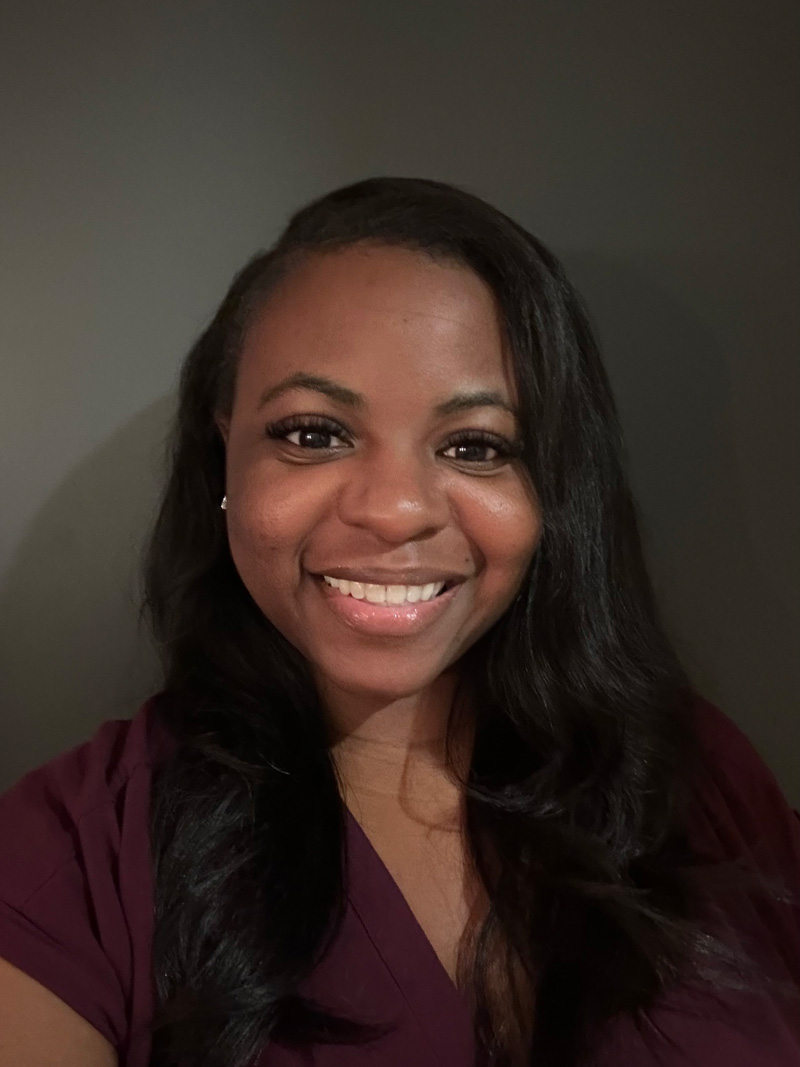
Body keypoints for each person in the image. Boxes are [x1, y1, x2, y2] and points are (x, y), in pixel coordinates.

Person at [0, 177, 798, 1067]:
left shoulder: (698, 781)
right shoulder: (70, 857)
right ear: (225, 449)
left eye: (476, 445)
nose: (395, 509)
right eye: (313, 432)